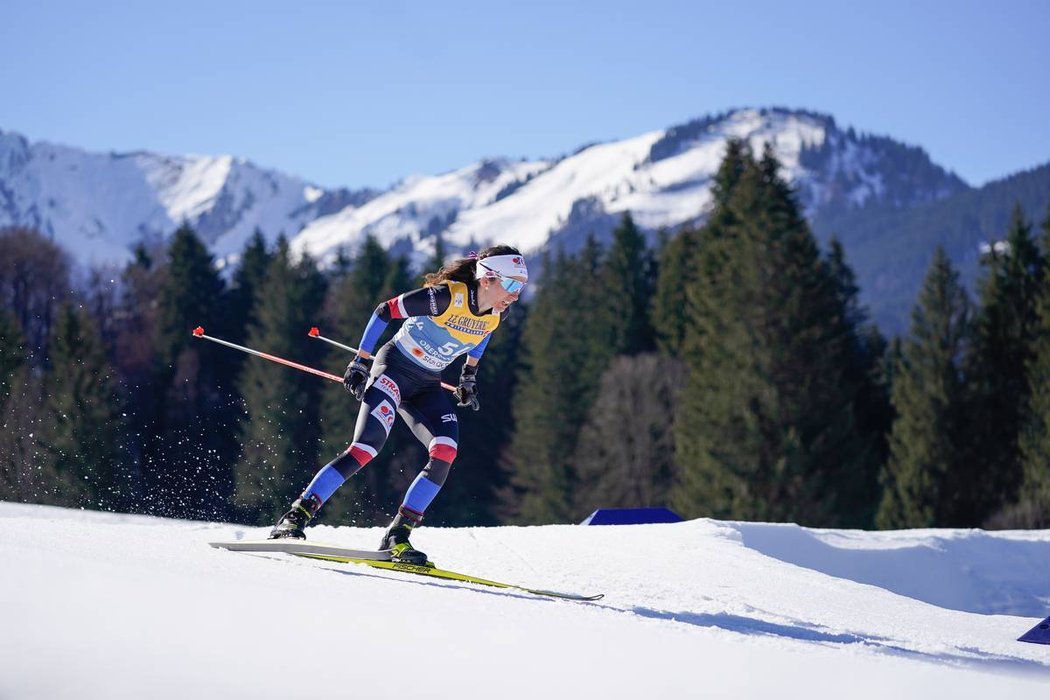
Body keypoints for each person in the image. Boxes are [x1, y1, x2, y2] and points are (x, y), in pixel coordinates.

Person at [267, 245, 528, 564]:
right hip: (393, 369)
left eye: (521, 287)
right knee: (366, 448)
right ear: (487, 278)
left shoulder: (496, 313)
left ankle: (397, 536)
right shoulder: (446, 297)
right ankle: (294, 518)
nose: (516, 295)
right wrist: (361, 361)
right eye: (512, 285)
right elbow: (384, 311)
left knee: (445, 451)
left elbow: (483, 335)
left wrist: (468, 376)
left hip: (427, 384)